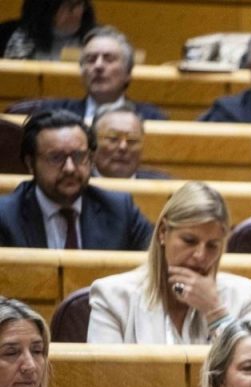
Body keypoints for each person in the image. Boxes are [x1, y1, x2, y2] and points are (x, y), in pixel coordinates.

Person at [87, 182, 251, 344]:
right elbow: (106, 375)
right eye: (189, 241)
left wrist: (215, 312)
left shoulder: (241, 295)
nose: (200, 255)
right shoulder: (113, 298)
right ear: (163, 232)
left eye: (212, 245)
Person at [0, 109, 152, 250]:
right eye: (56, 158)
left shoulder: (120, 210)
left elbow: (157, 261)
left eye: (79, 157)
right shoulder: (5, 216)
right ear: (30, 164)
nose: (70, 168)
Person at [39, 26, 168, 123]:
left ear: (127, 72)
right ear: (82, 71)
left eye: (109, 59)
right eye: (90, 59)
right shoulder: (54, 112)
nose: (98, 66)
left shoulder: (151, 118)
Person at [89, 103, 170, 179]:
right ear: (93, 143)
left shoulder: (167, 187)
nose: (123, 147)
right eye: (113, 138)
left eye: (132, 140)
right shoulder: (78, 185)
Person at [2, 0, 96, 60]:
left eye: (79, 3)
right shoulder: (20, 37)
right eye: (67, 5)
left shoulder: (100, 37)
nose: (76, 12)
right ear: (46, 8)